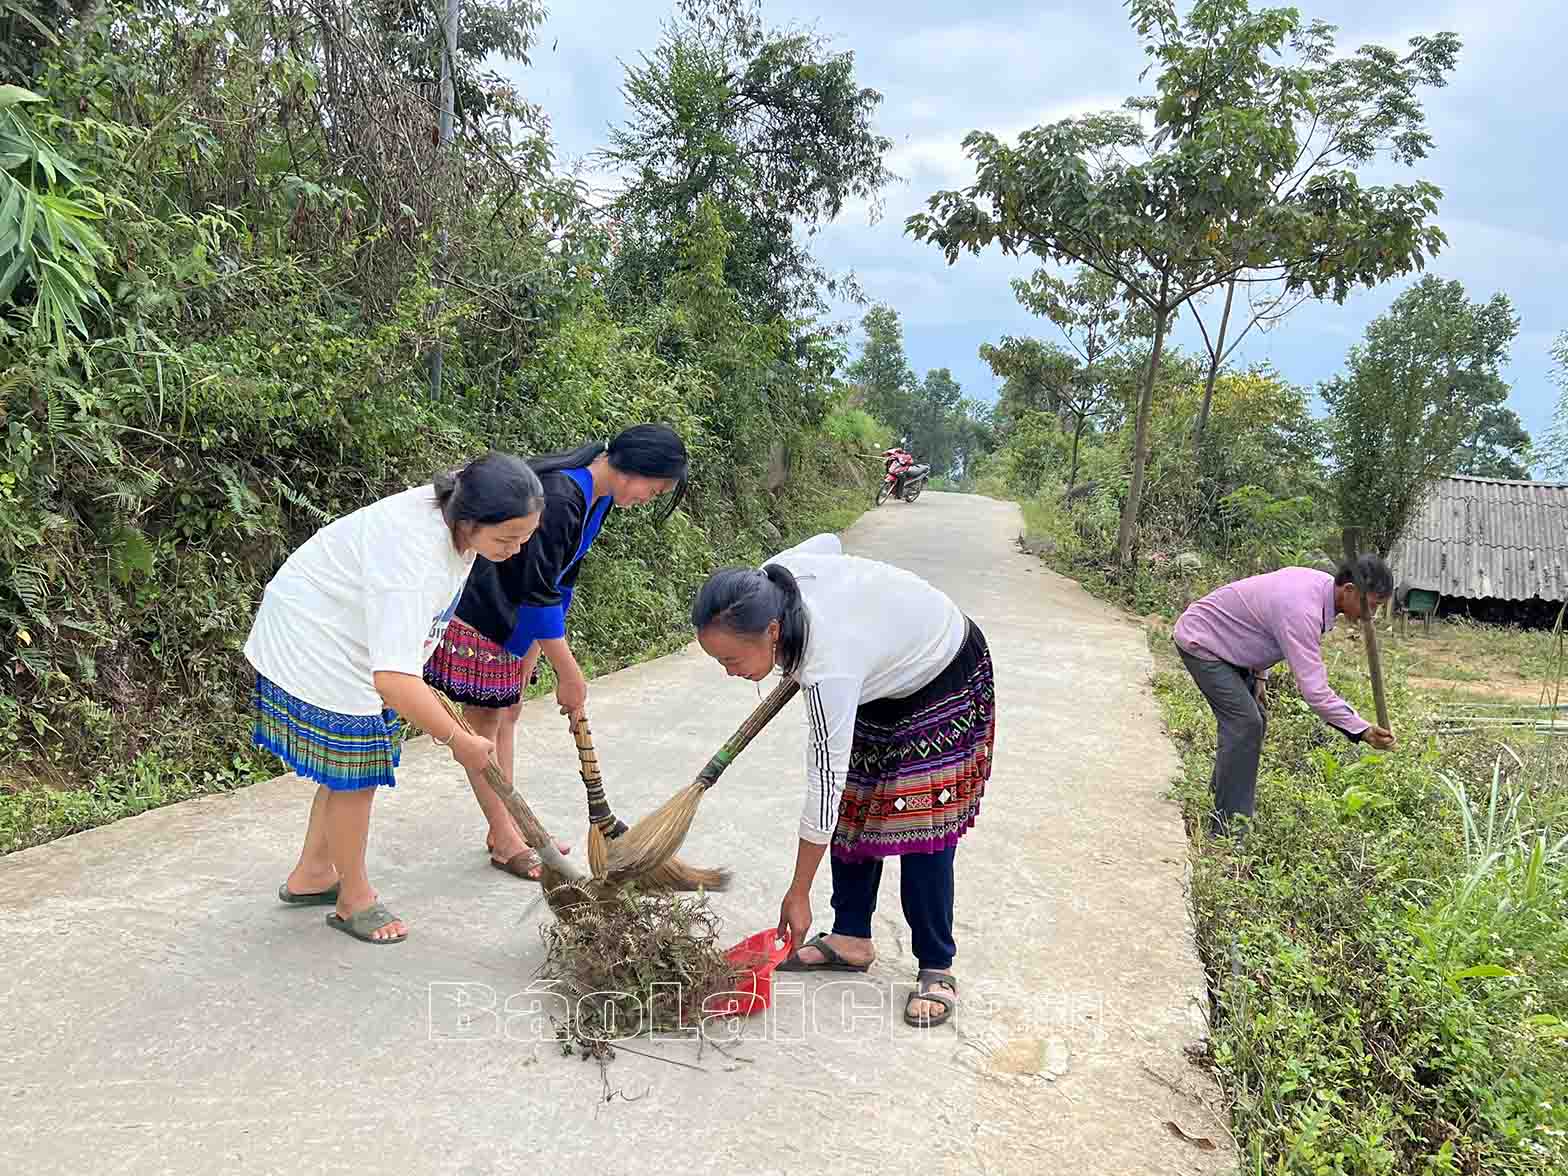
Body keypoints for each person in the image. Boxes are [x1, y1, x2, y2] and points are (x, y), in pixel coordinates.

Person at [690, 533, 995, 1030]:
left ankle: (936, 965)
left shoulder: (828, 662)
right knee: (857, 807)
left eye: (732, 660)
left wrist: (798, 890)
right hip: (877, 674)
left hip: (942, 669)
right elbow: (829, 542)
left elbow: (823, 782)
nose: (729, 673)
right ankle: (850, 938)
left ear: (772, 631)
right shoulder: (770, 579)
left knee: (920, 822)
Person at [245, 453, 546, 944]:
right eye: (506, 539)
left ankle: (314, 874)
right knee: (355, 771)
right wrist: (456, 737)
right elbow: (393, 679)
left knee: (349, 765)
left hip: (349, 627)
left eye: (524, 537)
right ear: (469, 520)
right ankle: (352, 900)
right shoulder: (413, 558)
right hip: (316, 637)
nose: (515, 551)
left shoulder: (459, 516)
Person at [422, 425, 689, 880]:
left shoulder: (596, 497)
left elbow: (563, 579)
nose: (650, 497)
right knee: (485, 725)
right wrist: (568, 672)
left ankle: (508, 827)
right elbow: (539, 590)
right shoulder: (563, 496)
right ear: (633, 467)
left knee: (506, 719)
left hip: (514, 622)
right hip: (482, 614)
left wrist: (534, 652)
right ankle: (505, 838)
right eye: (655, 487)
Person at [1173, 555, 1398, 837]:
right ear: (1349, 590)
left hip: (1229, 643)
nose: (1372, 615)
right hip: (1204, 642)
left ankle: (1222, 802)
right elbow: (1315, 692)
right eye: (1373, 605)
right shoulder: (1302, 608)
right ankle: (1229, 832)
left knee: (1255, 720)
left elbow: (1259, 622)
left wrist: (1259, 675)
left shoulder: (1318, 588)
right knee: (1245, 723)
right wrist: (1362, 730)